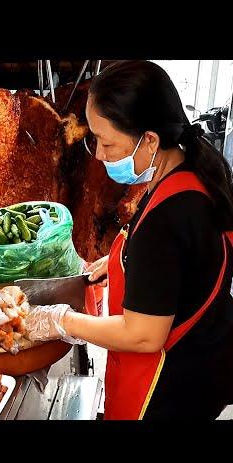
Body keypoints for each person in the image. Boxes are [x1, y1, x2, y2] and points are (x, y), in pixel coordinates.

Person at [22, 60, 233, 420]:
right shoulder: (190, 171)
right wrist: (123, 262)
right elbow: (181, 264)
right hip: (206, 364)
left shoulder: (169, 217)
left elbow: (143, 335)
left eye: (106, 142)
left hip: (170, 390)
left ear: (149, 139)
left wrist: (61, 321)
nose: (100, 154)